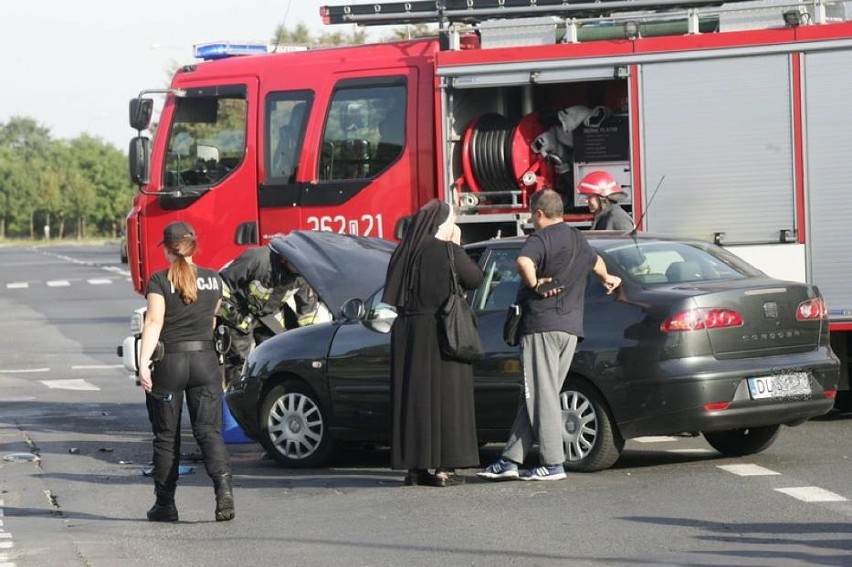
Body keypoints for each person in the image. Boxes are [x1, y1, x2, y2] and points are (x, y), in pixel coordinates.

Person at [478, 189, 621, 481]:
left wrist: (534, 284)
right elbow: (596, 263)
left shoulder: (540, 238)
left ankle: (553, 463)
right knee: (537, 393)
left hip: (541, 326)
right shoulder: (578, 238)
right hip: (570, 329)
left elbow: (523, 262)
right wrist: (607, 279)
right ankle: (510, 459)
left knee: (540, 394)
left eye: (533, 215)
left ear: (539, 214)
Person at [137, 221, 235, 522]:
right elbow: (212, 322)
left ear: (167, 248)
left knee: (166, 437)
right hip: (205, 362)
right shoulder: (214, 280)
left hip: (170, 363)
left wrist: (143, 363)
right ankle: (224, 495)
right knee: (209, 432)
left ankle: (165, 505)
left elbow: (153, 323)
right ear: (194, 245)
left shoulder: (159, 280)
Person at [383, 199, 484, 487]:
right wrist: (457, 243)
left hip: (409, 334)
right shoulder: (448, 250)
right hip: (443, 332)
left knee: (415, 401)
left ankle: (415, 469)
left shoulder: (404, 252)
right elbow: (475, 278)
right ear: (442, 224)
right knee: (447, 400)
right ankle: (443, 470)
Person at [218, 242, 322, 385]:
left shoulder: (302, 273)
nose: (301, 269)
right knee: (239, 361)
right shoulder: (258, 258)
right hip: (239, 309)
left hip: (268, 314)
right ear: (285, 258)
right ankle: (236, 397)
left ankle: (267, 393)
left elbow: (307, 312)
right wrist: (233, 317)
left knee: (276, 355)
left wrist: (312, 341)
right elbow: (222, 285)